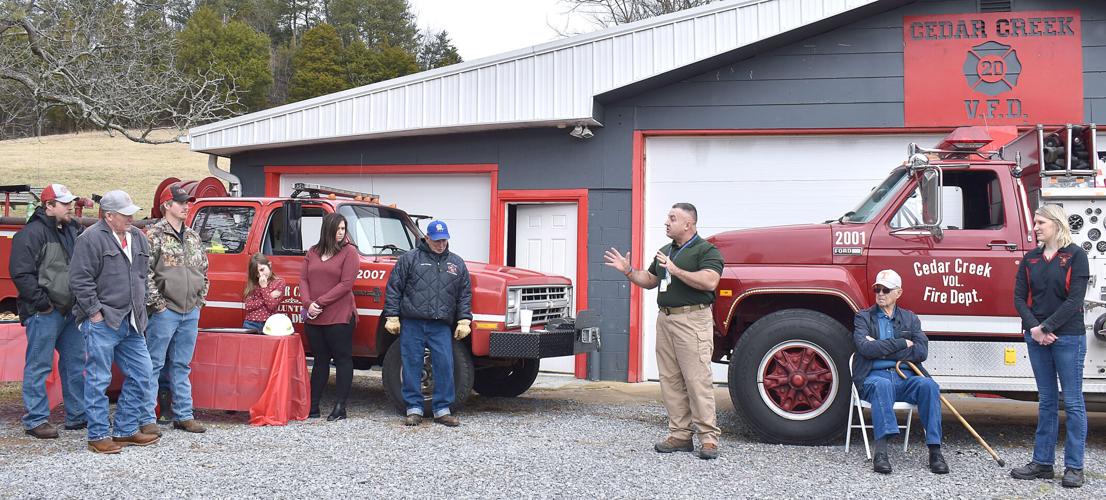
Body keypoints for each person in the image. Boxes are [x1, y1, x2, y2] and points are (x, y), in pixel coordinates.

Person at [603, 202, 722, 460]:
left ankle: (709, 439)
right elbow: (650, 280)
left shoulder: (706, 250)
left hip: (693, 320)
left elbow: (710, 280)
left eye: (672, 218)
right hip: (666, 320)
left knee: (696, 379)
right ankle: (680, 435)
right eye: (668, 217)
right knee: (670, 379)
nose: (666, 222)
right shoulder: (666, 251)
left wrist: (675, 269)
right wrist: (629, 271)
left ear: (688, 224)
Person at [69, 190, 160, 454]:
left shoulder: (138, 238)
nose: (131, 217)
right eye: (125, 213)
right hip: (103, 320)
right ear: (108, 216)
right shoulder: (90, 239)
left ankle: (125, 430)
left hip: (132, 321)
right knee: (98, 379)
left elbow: (143, 275)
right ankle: (97, 435)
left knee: (143, 373)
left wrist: (142, 309)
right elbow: (79, 280)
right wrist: (95, 313)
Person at [1011, 204, 1090, 488]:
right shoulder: (1030, 259)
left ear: (1056, 224)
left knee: (1072, 402)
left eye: (1040, 222)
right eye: (1035, 222)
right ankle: (1042, 463)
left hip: (1067, 337)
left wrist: (1047, 328)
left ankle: (1074, 467)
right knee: (1046, 401)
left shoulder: (1076, 256)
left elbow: (1074, 301)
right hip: (1036, 337)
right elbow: (1019, 298)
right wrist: (1035, 328)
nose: (1035, 227)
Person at [9, 184, 87, 438]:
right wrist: (42, 303)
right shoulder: (30, 234)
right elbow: (21, 273)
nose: (70, 207)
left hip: (69, 310)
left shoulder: (73, 230)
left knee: (75, 364)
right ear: (49, 206)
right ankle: (35, 420)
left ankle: (77, 415)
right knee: (39, 366)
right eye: (64, 204)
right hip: (45, 312)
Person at [851, 269, 947, 475]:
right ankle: (881, 452)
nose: (880, 293)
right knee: (882, 384)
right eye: (877, 288)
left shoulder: (910, 319)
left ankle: (935, 451)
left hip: (905, 378)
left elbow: (921, 352)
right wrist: (902, 343)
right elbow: (865, 348)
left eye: (886, 289)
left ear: (898, 293)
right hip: (873, 378)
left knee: (929, 386)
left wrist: (880, 348)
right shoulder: (863, 317)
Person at [384, 219, 471, 428]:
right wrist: (392, 316)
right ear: (426, 238)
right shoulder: (409, 259)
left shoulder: (457, 264)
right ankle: (413, 409)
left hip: (440, 325)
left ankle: (442, 410)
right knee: (412, 364)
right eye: (437, 240)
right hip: (412, 322)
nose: (441, 244)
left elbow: (464, 294)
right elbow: (394, 287)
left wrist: (464, 319)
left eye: (444, 240)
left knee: (445, 365)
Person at [143, 183, 208, 434]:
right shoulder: (153, 235)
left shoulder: (192, 236)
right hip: (165, 311)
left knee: (182, 364)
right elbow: (144, 273)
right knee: (153, 364)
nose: (186, 206)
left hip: (190, 311)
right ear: (167, 206)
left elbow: (204, 269)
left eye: (187, 202)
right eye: (181, 202)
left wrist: (199, 301)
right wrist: (158, 305)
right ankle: (147, 416)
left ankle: (183, 415)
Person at [299, 212, 359, 421]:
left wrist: (319, 303)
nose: (341, 233)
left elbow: (346, 284)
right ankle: (313, 406)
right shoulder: (313, 252)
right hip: (314, 316)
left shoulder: (350, 252)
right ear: (328, 229)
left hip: (339, 315)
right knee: (320, 360)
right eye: (338, 228)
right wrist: (308, 304)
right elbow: (304, 280)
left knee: (342, 359)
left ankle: (340, 407)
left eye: (344, 229)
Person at [243, 253, 284, 331]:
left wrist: (264, 287)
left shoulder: (279, 282)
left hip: (270, 324)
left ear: (269, 265)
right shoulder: (254, 283)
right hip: (251, 323)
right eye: (257, 273)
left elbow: (272, 305)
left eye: (262, 269)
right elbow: (248, 306)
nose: (261, 274)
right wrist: (268, 297)